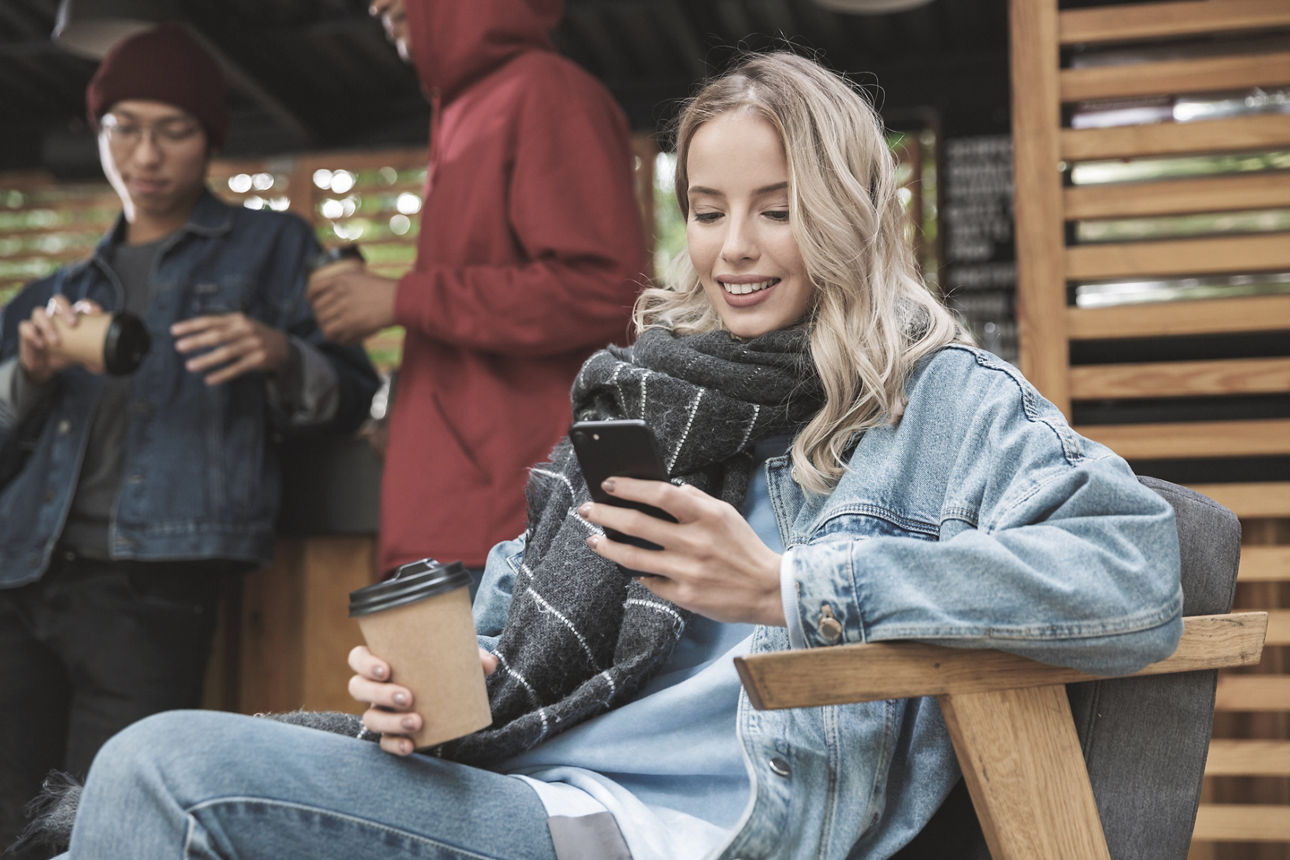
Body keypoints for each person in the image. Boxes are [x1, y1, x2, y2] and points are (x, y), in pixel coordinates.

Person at [52, 52, 1181, 859]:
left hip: (666, 826)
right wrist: (438, 690)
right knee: (141, 780)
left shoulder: (941, 402)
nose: (733, 248)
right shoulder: (648, 388)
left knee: (161, 769)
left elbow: (1139, 568)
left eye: (777, 209)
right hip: (520, 773)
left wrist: (789, 585)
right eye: (706, 208)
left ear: (848, 210)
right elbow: (510, 626)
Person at [0, 22, 379, 852]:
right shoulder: (54, 291)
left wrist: (282, 356)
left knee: (110, 821)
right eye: (123, 129)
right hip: (19, 575)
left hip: (152, 584)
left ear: (209, 138)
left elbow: (353, 394)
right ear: (96, 136)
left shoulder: (273, 250)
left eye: (173, 130)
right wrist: (26, 374)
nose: (147, 153)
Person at [306, 0, 647, 584]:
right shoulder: (464, 107)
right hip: (450, 510)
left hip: (506, 524)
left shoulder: (547, 92)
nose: (377, 5)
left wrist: (400, 300)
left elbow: (603, 289)